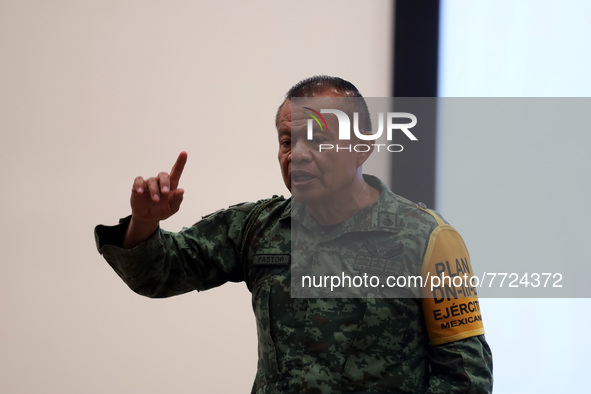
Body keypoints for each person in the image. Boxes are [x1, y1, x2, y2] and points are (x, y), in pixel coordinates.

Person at [95, 75, 493, 393]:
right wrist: (145, 222)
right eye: (288, 141)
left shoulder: (427, 238)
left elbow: (465, 376)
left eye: (317, 139)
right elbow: (157, 274)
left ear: (362, 146)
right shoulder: (256, 227)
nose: (297, 154)